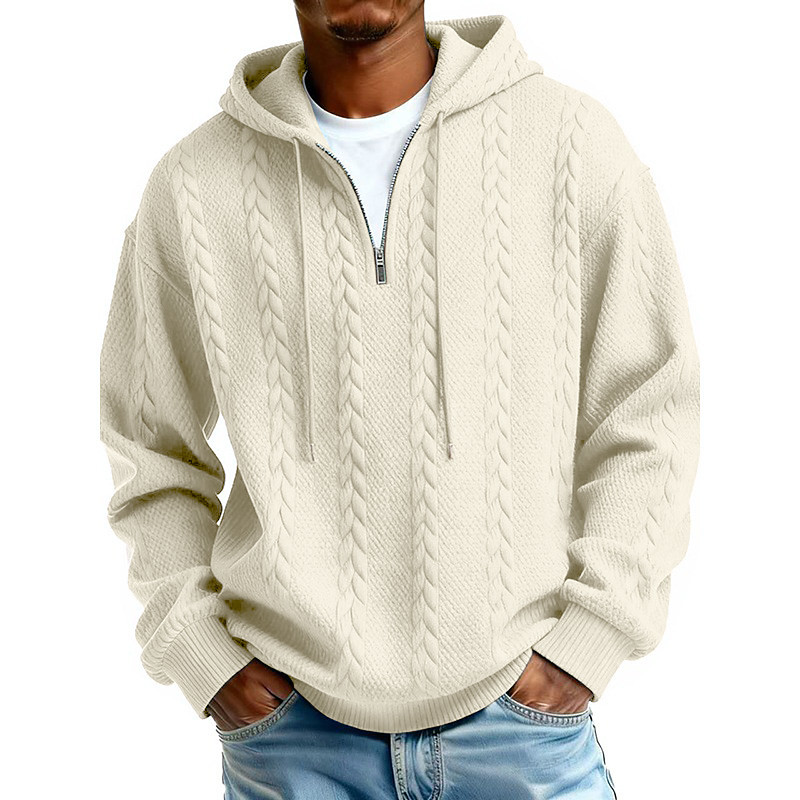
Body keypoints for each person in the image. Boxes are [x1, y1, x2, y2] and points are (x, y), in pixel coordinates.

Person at [98, 3, 700, 798]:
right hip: (292, 737)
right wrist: (205, 660)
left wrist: (591, 639)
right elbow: (150, 448)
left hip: (522, 728)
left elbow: (649, 409)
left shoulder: (572, 144)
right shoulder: (192, 186)